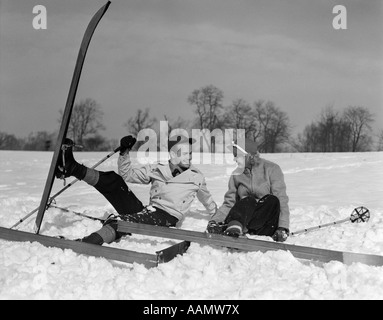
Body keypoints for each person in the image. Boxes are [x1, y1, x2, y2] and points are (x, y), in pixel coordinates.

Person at [55, 135, 217, 245]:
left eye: (190, 152)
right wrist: (125, 152)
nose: (190, 156)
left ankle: (88, 242)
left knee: (122, 222)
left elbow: (207, 200)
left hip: (167, 218)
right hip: (148, 211)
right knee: (114, 180)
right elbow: (128, 174)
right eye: (186, 152)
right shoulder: (157, 169)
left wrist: (218, 217)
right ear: (174, 154)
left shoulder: (196, 177)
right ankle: (71, 167)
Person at [207, 138, 290, 242]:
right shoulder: (236, 175)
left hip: (266, 222)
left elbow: (281, 199)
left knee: (272, 200)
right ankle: (233, 228)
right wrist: (215, 220)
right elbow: (229, 203)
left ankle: (242, 229)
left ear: (249, 155)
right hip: (243, 221)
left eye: (237, 156)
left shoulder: (271, 169)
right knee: (248, 200)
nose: (235, 159)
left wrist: (283, 227)